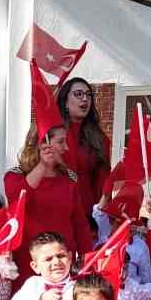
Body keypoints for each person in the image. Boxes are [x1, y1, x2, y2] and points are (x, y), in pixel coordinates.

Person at [3, 125, 92, 277]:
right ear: (42, 144)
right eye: (61, 142)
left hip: (62, 263)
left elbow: (80, 224)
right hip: (29, 261)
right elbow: (17, 201)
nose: (66, 147)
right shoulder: (16, 176)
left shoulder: (69, 178)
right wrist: (42, 166)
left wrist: (87, 258)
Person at [52, 77, 110, 216]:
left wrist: (102, 214)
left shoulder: (99, 138)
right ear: (65, 102)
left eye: (88, 95)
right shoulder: (51, 133)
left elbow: (103, 182)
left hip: (87, 210)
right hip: (56, 206)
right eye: (78, 94)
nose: (85, 99)